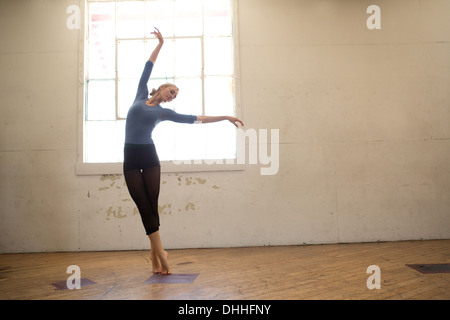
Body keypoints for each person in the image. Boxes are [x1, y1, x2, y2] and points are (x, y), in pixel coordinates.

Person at [123, 28, 244, 275]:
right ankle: (158, 253)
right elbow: (148, 65)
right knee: (142, 204)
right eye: (172, 92)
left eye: (175, 96)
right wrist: (161, 43)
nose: (172, 97)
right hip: (130, 157)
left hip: (149, 156)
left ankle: (160, 258)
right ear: (164, 87)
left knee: (152, 205)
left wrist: (225, 117)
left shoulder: (165, 113)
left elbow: (196, 118)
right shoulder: (140, 95)